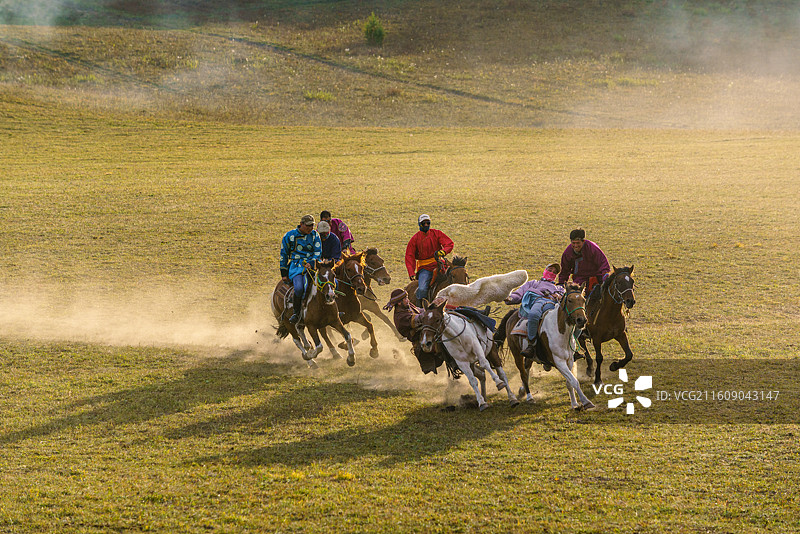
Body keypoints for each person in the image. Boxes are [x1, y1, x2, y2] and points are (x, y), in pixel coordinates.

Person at [506, 263, 566, 369]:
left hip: (552, 306)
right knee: (534, 315)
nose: (552, 273)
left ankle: (572, 349)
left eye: (554, 272)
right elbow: (519, 293)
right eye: (550, 270)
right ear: (545, 270)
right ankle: (531, 345)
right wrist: (510, 298)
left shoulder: (559, 288)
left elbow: (566, 299)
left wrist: (558, 296)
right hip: (536, 303)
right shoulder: (533, 283)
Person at [384, 289, 445, 374]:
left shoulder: (407, 306)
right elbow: (418, 319)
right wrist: (432, 311)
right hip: (420, 341)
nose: (408, 300)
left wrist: (433, 307)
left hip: (426, 332)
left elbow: (420, 310)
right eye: (405, 299)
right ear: (399, 303)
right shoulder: (400, 317)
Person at [280, 214, 322, 324]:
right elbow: (284, 255)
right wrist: (283, 273)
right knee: (299, 288)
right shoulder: (289, 236)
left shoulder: (315, 235)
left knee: (330, 282)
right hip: (296, 267)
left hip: (312, 267)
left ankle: (334, 310)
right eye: (308, 226)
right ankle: (296, 313)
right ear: (301, 224)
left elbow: (318, 252)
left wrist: (311, 262)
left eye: (312, 226)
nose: (310, 228)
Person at [405, 214, 455, 303]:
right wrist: (411, 272)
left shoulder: (437, 233)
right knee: (422, 289)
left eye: (428, 223)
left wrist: (443, 252)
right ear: (419, 224)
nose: (426, 225)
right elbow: (409, 256)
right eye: (423, 223)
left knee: (457, 276)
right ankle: (420, 308)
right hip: (425, 268)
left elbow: (449, 243)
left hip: (440, 264)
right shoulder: (415, 239)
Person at [558, 228, 610, 297]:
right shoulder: (568, 253)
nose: (575, 246)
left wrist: (605, 277)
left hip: (596, 277)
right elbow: (564, 271)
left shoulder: (592, 248)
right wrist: (561, 284)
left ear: (583, 241)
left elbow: (603, 263)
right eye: (573, 243)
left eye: (578, 243)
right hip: (579, 278)